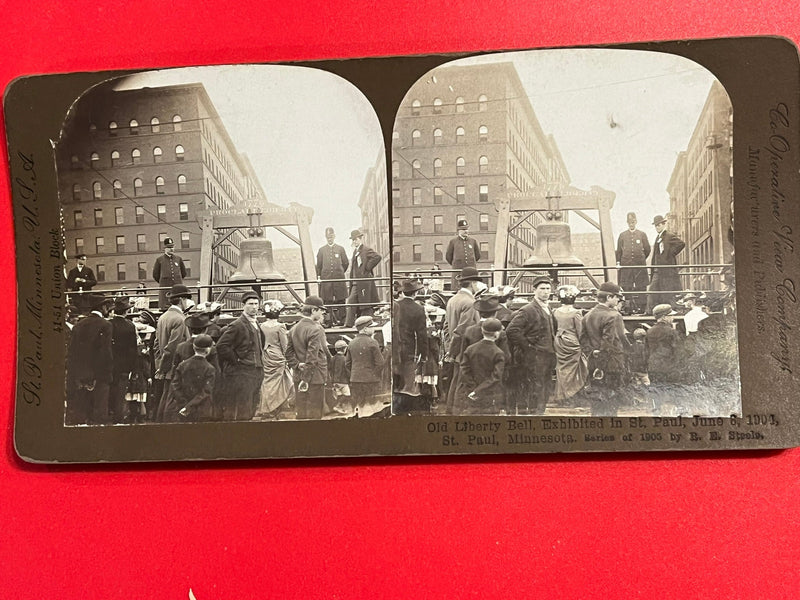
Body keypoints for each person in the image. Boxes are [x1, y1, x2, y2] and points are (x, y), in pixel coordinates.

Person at [506, 275, 557, 415]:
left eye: (548, 289)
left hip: (548, 355)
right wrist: (528, 347)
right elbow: (512, 330)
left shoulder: (548, 308)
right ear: (534, 290)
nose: (546, 292)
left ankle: (538, 413)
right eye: (542, 289)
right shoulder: (528, 310)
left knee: (544, 388)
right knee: (535, 388)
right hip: (535, 358)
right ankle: (533, 415)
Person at [65, 293, 114, 425]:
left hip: (80, 375)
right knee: (99, 413)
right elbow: (105, 352)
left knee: (81, 412)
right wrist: (108, 373)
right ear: (102, 307)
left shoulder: (78, 325)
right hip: (99, 375)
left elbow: (72, 353)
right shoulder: (106, 325)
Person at [216, 291, 265, 421]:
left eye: (256, 304)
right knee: (243, 408)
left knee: (252, 406)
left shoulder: (256, 323)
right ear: (243, 305)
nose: (254, 307)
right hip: (243, 373)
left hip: (256, 371)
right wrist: (237, 360)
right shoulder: (237, 325)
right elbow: (221, 346)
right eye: (250, 304)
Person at [580, 281, 631, 393]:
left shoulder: (587, 315)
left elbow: (583, 339)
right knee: (612, 396)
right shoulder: (614, 316)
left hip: (593, 361)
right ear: (609, 297)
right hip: (612, 363)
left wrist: (593, 353)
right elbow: (610, 341)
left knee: (596, 395)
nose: (618, 300)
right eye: (617, 297)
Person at [286, 296, 331, 420]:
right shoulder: (315, 329)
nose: (322, 313)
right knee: (315, 415)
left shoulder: (293, 329)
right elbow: (312, 357)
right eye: (321, 310)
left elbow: (288, 353)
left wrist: (297, 365)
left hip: (298, 376)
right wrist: (305, 380)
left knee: (301, 412)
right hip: (314, 378)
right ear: (313, 311)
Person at [153, 284, 192, 421]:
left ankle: (160, 422)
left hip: (166, 365)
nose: (188, 301)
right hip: (176, 365)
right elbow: (173, 347)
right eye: (187, 298)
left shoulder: (163, 317)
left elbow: (157, 345)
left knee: (166, 396)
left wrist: (160, 366)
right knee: (172, 399)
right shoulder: (180, 319)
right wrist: (164, 368)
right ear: (181, 300)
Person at [455, 318, 506, 415]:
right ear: (496, 334)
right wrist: (479, 391)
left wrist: (473, 389)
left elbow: (464, 371)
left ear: (482, 331)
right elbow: (496, 377)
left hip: (471, 394)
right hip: (490, 395)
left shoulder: (470, 349)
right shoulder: (498, 353)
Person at [392, 278, 428, 413]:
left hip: (396, 348)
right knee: (409, 381)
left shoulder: (396, 305)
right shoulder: (418, 309)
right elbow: (422, 334)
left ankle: (395, 409)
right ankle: (407, 410)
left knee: (395, 379)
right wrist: (423, 354)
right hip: (410, 349)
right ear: (415, 293)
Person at [255, 299, 295, 420]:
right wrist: (287, 357)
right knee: (279, 382)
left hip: (266, 355)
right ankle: (275, 405)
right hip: (277, 355)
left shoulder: (261, 326)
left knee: (267, 382)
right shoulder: (280, 327)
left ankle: (267, 406)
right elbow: (284, 344)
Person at [552, 285, 588, 403]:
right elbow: (580, 331)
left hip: (559, 341)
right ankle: (570, 393)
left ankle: (561, 395)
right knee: (573, 369)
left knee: (561, 368)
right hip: (572, 342)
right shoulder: (576, 313)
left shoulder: (555, 312)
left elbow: (554, 328)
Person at [172, 334, 217, 422]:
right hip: (202, 410)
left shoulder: (182, 365)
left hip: (182, 409)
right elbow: (206, 391)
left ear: (193, 347)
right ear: (208, 350)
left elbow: (175, 386)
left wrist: (184, 405)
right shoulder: (210, 368)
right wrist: (190, 406)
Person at [108, 296, 139, 424]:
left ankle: (109, 414)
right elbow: (133, 348)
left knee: (111, 390)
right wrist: (134, 368)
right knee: (121, 392)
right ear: (126, 311)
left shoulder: (109, 324)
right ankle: (118, 417)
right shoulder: (130, 326)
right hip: (125, 365)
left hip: (110, 363)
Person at [347, 316, 385, 416]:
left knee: (358, 408)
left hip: (355, 380)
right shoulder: (372, 342)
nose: (374, 329)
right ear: (365, 329)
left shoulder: (351, 343)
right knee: (373, 410)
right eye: (371, 327)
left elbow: (347, 364)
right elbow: (380, 363)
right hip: (371, 382)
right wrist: (374, 375)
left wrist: (354, 374)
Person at [648, 215, 685, 312]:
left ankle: (668, 310)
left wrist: (670, 254)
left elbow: (681, 244)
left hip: (666, 270)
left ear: (663, 224)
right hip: (657, 270)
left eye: (659, 225)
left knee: (666, 291)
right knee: (653, 290)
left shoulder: (669, 235)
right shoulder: (658, 238)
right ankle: (650, 311)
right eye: (656, 225)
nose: (657, 227)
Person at [345, 229, 382, 327]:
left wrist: (367, 268)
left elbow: (377, 257)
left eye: (356, 239)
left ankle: (365, 323)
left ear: (360, 239)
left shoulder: (366, 249)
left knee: (365, 303)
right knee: (351, 301)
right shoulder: (355, 251)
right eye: (353, 240)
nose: (354, 241)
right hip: (356, 282)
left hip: (364, 282)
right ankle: (349, 324)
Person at [615, 212, 650, 313]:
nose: (631, 224)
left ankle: (642, 309)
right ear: (627, 223)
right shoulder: (622, 235)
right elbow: (619, 251)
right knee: (627, 287)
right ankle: (628, 308)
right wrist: (619, 262)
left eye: (633, 222)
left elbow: (647, 249)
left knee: (641, 286)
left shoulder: (642, 234)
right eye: (629, 222)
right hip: (626, 265)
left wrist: (641, 259)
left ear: (636, 222)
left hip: (639, 266)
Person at [316, 227, 349, 326]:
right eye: (327, 237)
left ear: (334, 236)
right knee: (327, 301)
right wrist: (320, 276)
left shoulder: (340, 249)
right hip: (326, 279)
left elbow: (346, 263)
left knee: (341, 299)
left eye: (331, 236)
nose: (329, 239)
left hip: (339, 279)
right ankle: (328, 322)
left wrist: (339, 272)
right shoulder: (321, 250)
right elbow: (319, 265)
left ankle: (343, 321)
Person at [646, 304, 681, 384]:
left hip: (653, 367)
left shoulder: (649, 331)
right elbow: (678, 350)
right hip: (668, 368)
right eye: (671, 315)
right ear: (664, 317)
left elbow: (646, 351)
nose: (673, 318)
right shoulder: (671, 332)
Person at [445, 219, 481, 291]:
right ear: (459, 230)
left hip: (470, 271)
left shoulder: (473, 241)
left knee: (472, 289)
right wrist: (457, 263)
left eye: (467, 229)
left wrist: (470, 263)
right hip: (458, 271)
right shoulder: (453, 242)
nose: (466, 231)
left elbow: (477, 255)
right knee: (457, 289)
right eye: (464, 229)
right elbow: (448, 257)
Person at [152, 237, 187, 310]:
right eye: (169, 247)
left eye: (172, 247)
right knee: (165, 308)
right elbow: (155, 275)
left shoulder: (178, 259)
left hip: (177, 290)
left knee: (179, 308)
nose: (172, 249)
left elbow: (184, 273)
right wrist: (164, 281)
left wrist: (177, 281)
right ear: (165, 248)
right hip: (165, 290)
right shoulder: (160, 260)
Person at [329, 340, 352, 416]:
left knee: (340, 395)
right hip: (343, 381)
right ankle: (337, 406)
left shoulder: (333, 358)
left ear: (336, 349)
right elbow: (347, 371)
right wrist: (350, 379)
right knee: (347, 395)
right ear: (344, 349)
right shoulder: (345, 359)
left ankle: (340, 409)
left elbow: (330, 369)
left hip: (335, 381)